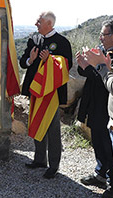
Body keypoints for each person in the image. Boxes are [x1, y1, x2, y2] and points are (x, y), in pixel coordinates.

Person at [20, 11, 72, 179]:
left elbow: (66, 66)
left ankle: (54, 165)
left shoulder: (62, 42)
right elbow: (23, 62)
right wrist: (31, 60)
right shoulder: (33, 39)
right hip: (35, 91)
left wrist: (49, 61)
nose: (36, 23)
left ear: (49, 23)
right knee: (36, 122)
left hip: (52, 94)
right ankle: (39, 159)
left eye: (39, 21)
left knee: (52, 130)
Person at [76, 19, 113, 193]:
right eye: (100, 34)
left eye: (104, 34)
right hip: (93, 103)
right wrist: (83, 64)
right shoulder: (101, 50)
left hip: (106, 107)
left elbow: (107, 81)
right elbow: (88, 73)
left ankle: (112, 183)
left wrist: (90, 66)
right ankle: (100, 173)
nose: (100, 38)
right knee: (98, 141)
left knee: (109, 146)